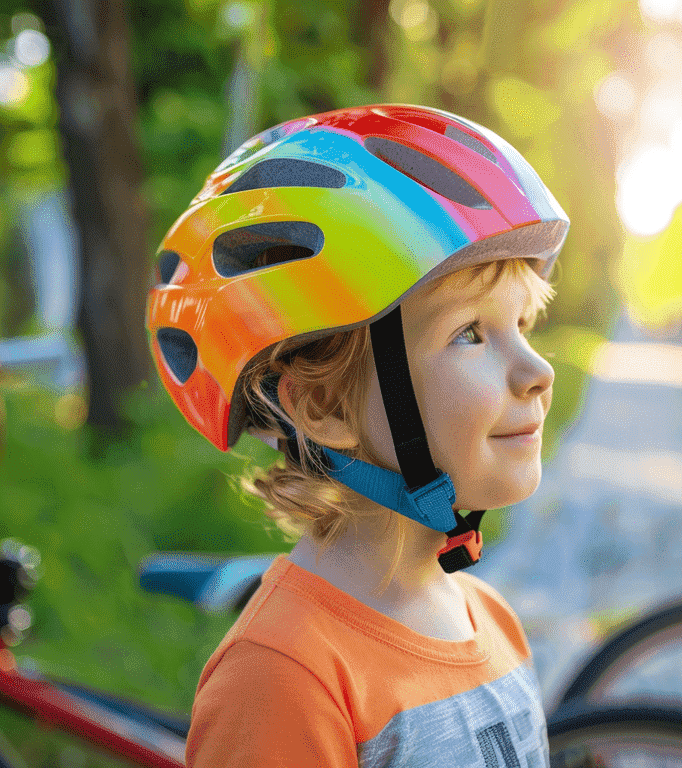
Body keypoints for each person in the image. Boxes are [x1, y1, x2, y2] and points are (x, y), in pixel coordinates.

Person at [146, 104, 569, 767]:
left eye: (524, 324)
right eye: (470, 334)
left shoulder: (490, 619)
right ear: (322, 406)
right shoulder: (287, 679)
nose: (537, 371)